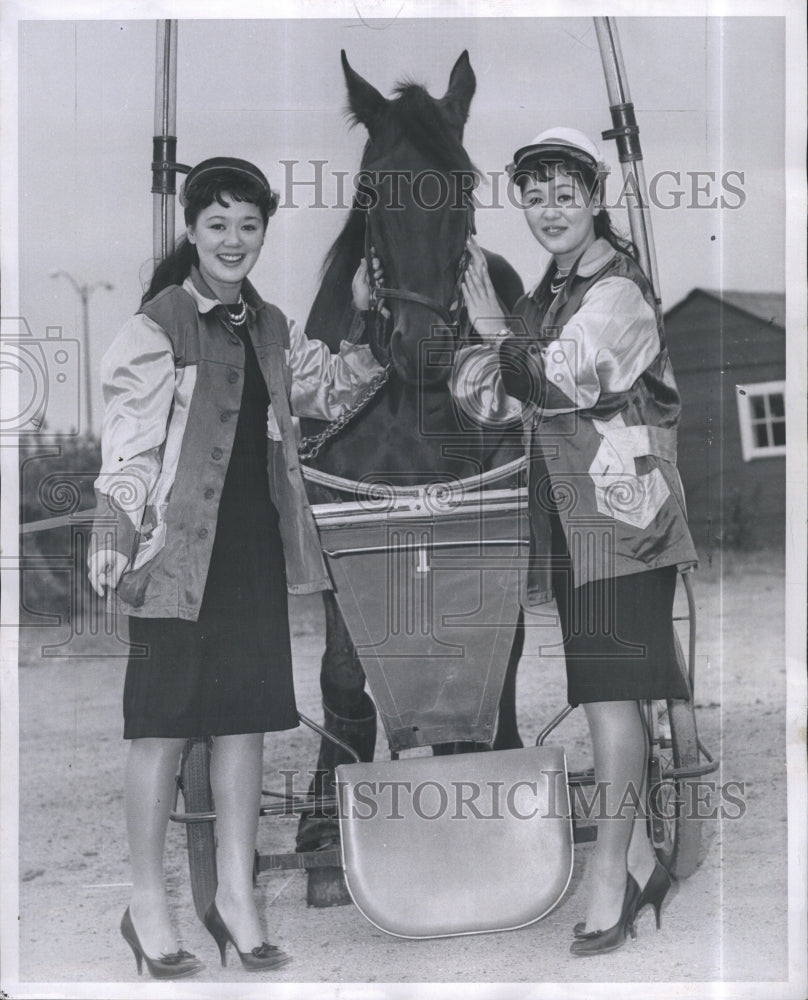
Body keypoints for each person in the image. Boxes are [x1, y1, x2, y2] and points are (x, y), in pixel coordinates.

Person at [88, 156, 383, 978]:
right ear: (192, 230)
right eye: (217, 224)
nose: (233, 240)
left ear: (263, 232)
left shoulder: (273, 325)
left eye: (248, 226)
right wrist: (113, 526)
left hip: (250, 552)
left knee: (245, 726)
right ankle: (147, 904)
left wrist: (366, 324)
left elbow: (324, 387)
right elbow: (130, 444)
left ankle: (236, 900)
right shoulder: (157, 327)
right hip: (173, 556)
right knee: (160, 729)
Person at [454, 127, 698, 956]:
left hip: (627, 520)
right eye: (534, 195)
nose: (550, 210)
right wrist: (485, 350)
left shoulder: (618, 290)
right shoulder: (544, 300)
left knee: (608, 693)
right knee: (608, 693)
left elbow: (559, 379)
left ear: (594, 200)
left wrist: (494, 334)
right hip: (572, 520)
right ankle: (630, 860)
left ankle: (609, 878)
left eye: (566, 194)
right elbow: (495, 402)